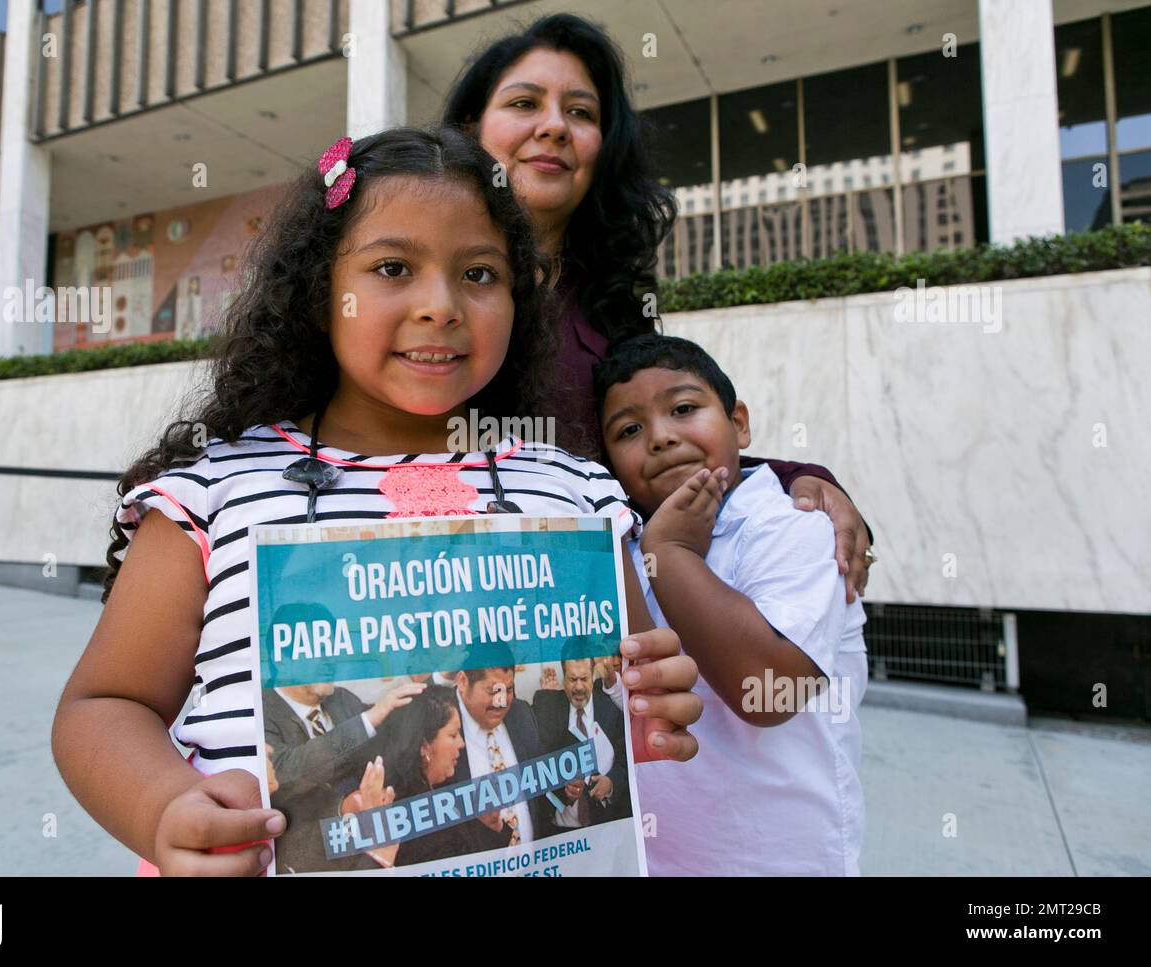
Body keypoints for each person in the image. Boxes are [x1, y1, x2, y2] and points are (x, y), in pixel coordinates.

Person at [51, 126, 701, 877]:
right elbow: (102, 705)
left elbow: (641, 686)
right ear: (320, 290)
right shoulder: (216, 492)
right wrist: (166, 808)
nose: (441, 305)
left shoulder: (575, 492)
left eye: (480, 274)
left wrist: (655, 702)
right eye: (393, 267)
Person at [443, 12, 875, 600]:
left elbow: (657, 455)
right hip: (421, 590)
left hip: (580, 612)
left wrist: (795, 478)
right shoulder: (418, 285)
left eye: (580, 112)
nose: (553, 127)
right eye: (524, 104)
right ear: (471, 129)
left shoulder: (613, 308)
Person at [595, 334, 868, 875]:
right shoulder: (621, 543)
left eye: (684, 409)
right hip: (656, 858)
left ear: (739, 424)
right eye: (629, 430)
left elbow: (765, 689)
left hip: (777, 858)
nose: (661, 438)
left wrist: (671, 554)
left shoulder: (796, 526)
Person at [261, 672, 425, 873]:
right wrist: (366, 720)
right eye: (317, 649)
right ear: (282, 662)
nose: (329, 662)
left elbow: (386, 734)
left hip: (376, 843)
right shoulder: (262, 710)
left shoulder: (341, 699)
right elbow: (284, 772)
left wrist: (434, 684)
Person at [345, 685, 513, 869]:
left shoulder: (445, 793)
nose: (461, 743)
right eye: (453, 734)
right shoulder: (406, 814)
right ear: (424, 745)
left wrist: (491, 824)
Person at [449, 656, 555, 845]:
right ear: (463, 682)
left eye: (509, 690)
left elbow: (541, 788)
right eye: (493, 691)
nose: (501, 702)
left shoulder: (521, 714)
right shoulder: (438, 721)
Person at [534, 654, 629, 825]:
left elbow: (625, 758)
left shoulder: (611, 709)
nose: (578, 686)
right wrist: (563, 789)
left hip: (606, 827)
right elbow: (535, 764)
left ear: (593, 677)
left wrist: (611, 782)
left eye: (584, 678)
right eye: (572, 679)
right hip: (561, 830)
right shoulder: (545, 707)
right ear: (564, 679)